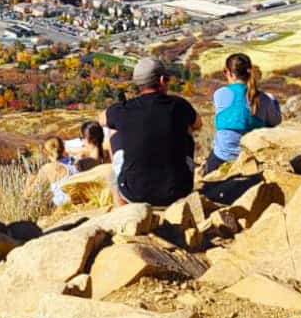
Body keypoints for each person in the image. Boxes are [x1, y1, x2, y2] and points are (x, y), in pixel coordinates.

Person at [101, 57, 199, 207]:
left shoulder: (123, 109)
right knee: (188, 129)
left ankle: (122, 208)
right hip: (178, 191)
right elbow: (198, 124)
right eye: (166, 79)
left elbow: (101, 119)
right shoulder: (179, 105)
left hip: (134, 193)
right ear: (161, 80)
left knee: (113, 132)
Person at [206, 53, 282, 175]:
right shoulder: (264, 98)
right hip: (253, 156)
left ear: (226, 72)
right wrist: (273, 102)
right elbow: (275, 122)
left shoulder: (219, 94)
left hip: (223, 156)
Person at [23, 136, 78, 203]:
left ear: (45, 153)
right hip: (81, 200)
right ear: (63, 148)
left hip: (66, 206)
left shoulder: (47, 169)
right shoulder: (76, 162)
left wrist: (28, 182)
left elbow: (28, 194)